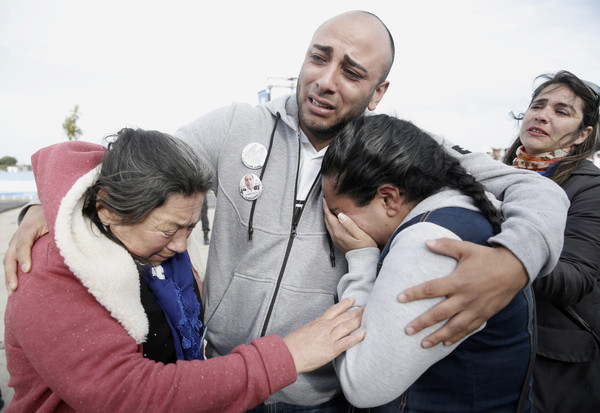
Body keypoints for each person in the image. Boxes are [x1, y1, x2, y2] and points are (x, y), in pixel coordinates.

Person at [4, 11, 569, 410]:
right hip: (222, 382)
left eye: (351, 72)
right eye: (318, 58)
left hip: (324, 394)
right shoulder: (233, 126)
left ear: (378, 92)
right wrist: (46, 201)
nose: (325, 81)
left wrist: (516, 259)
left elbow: (538, 191)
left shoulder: (399, 149)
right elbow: (131, 165)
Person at [4, 129, 364, 412]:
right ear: (107, 208)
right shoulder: (50, 272)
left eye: (190, 228)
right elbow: (130, 397)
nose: (179, 246)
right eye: (167, 230)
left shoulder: (151, 251)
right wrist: (285, 356)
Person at [321, 114, 535, 411]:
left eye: (337, 211)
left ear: (389, 199)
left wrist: (360, 258)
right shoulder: (462, 210)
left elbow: (363, 385)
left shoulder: (429, 244)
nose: (334, 223)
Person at [502, 70, 600, 412]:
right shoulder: (498, 177)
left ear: (582, 134)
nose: (542, 115)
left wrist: (502, 260)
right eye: (537, 105)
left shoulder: (590, 188)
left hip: (550, 362)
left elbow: (576, 279)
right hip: (492, 347)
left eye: (562, 111)